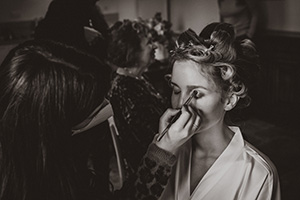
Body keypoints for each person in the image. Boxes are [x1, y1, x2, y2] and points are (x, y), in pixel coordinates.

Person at [0, 39, 191, 200]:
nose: (107, 105)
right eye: (94, 105)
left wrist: (161, 150)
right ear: (56, 125)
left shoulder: (53, 160)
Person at [157, 23, 281, 199]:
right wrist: (163, 150)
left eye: (196, 94)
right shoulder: (162, 151)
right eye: (176, 90)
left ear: (229, 99)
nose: (180, 104)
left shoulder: (257, 175)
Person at [107, 19, 168, 172]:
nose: (154, 46)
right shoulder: (125, 89)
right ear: (132, 51)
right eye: (148, 43)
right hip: (151, 168)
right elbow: (146, 142)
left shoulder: (137, 78)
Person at [34, 0, 109, 59]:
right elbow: (44, 34)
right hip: (70, 69)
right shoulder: (61, 4)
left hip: (93, 68)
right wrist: (81, 32)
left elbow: (103, 36)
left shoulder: (93, 9)